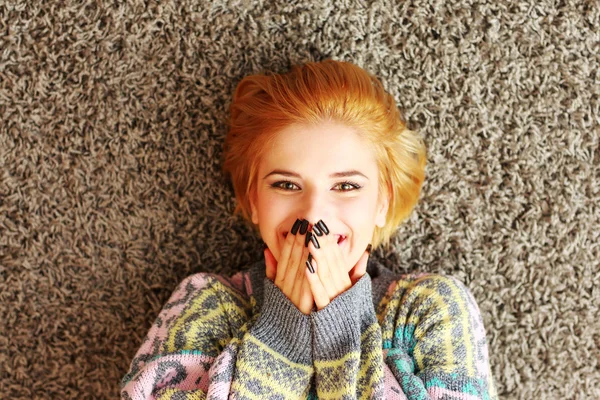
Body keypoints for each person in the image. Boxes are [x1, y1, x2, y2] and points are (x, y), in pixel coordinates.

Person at [120, 59, 498, 399]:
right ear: (253, 200)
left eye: (346, 186)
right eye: (286, 185)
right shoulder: (204, 304)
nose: (314, 214)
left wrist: (342, 336)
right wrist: (280, 339)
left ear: (382, 201)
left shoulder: (431, 308)